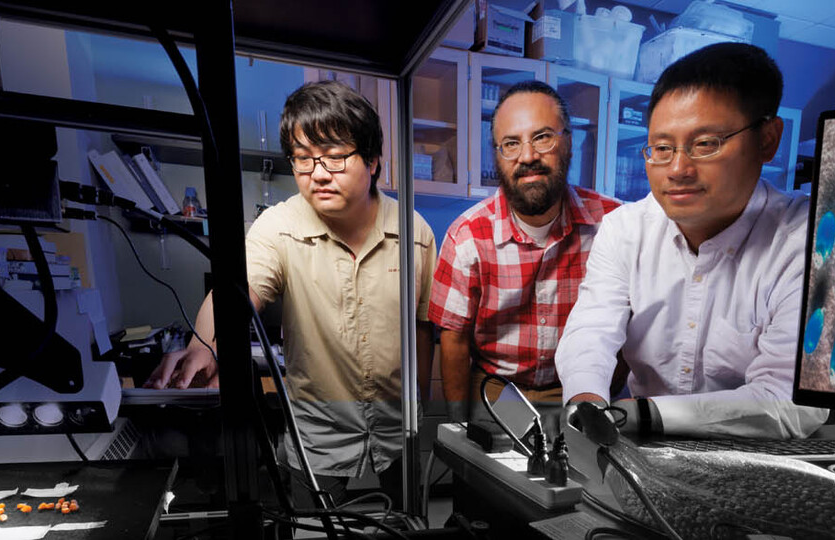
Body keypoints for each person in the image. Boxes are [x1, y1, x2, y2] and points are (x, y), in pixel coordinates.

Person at [144, 80, 437, 507]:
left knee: (407, 525)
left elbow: (423, 328)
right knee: (316, 531)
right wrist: (204, 345)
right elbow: (237, 289)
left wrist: (420, 411)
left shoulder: (415, 233)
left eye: (336, 158)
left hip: (399, 430)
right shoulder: (277, 226)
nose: (318, 173)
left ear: (373, 161)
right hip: (317, 434)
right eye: (302, 159)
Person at [555, 43, 828, 439]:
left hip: (761, 460)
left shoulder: (809, 241)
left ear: (767, 140)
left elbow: (790, 402)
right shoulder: (624, 229)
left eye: (705, 144)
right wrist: (587, 402)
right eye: (662, 148)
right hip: (637, 447)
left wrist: (642, 416)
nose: (678, 169)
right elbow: (590, 333)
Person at [428, 80, 620, 423]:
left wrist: (606, 393)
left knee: (585, 475)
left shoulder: (613, 225)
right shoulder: (468, 235)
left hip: (579, 391)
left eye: (543, 137)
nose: (528, 156)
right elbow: (453, 341)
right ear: (497, 155)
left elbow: (633, 328)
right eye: (511, 144)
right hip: (497, 391)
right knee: (490, 475)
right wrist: (459, 428)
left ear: (568, 141)